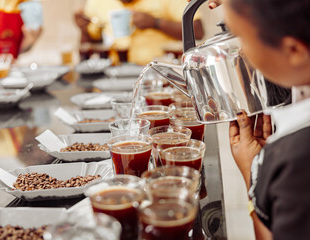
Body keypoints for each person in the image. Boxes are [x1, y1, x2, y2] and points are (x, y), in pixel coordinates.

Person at [192, 0, 310, 239]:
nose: (241, 53)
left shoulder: (297, 160)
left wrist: (252, 174)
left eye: (241, 39)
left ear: (294, 51)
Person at [75, 0, 204, 65]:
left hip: (161, 74)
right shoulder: (97, 2)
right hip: (114, 75)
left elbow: (197, 30)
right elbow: (89, 44)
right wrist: (83, 29)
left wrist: (156, 23)